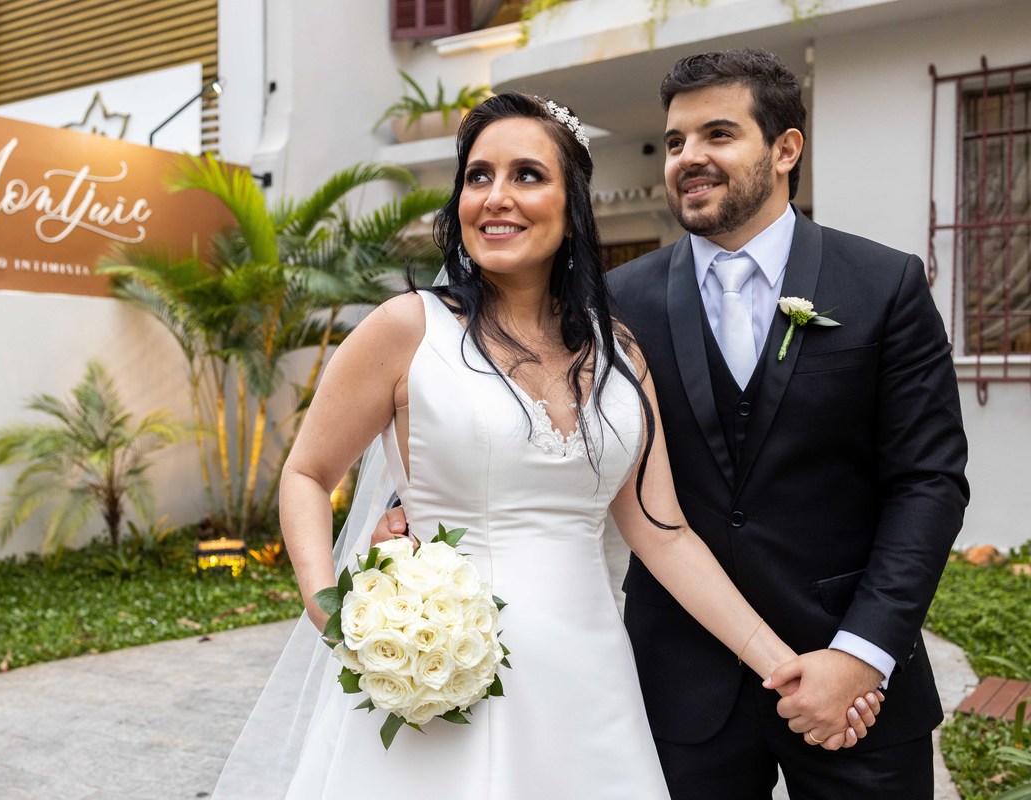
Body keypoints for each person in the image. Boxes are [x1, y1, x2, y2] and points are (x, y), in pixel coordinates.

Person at [216, 91, 877, 800]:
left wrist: (785, 666)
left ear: (572, 206)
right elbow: (308, 473)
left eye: (527, 175)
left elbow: (665, 536)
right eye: (478, 176)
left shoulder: (620, 353)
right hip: (440, 679)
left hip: (588, 686)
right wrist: (333, 607)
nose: (496, 198)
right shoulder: (406, 329)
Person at [376, 51, 967, 798]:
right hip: (677, 691)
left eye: (718, 134)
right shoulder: (611, 306)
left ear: (786, 149)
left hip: (850, 688)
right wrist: (413, 505)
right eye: (677, 141)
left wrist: (860, 654)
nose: (690, 158)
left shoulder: (884, 284)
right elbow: (521, 421)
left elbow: (930, 483)